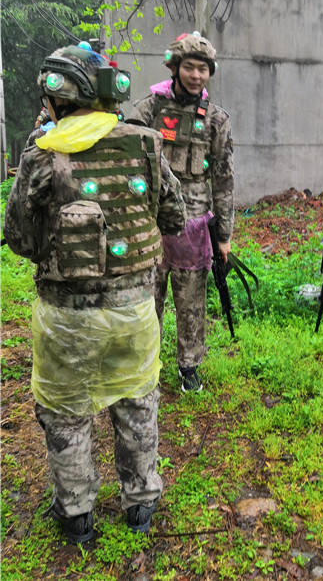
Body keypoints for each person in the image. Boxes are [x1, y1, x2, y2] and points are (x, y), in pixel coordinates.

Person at [3, 42, 186, 544]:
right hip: (134, 311)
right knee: (136, 403)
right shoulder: (146, 143)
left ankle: (77, 513)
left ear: (60, 97)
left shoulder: (42, 153)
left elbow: (17, 238)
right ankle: (141, 505)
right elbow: (174, 217)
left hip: (66, 316)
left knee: (65, 413)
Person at [129, 31, 234, 393]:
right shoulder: (150, 109)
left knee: (191, 298)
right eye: (189, 67)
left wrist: (224, 236)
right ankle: (148, 366)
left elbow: (223, 178)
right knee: (149, 295)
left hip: (194, 221)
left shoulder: (216, 120)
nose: (196, 75)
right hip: (152, 218)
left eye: (203, 69)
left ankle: (189, 366)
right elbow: (128, 153)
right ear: (175, 67)